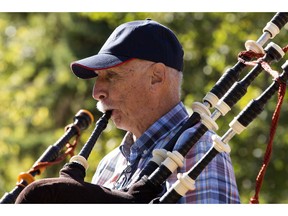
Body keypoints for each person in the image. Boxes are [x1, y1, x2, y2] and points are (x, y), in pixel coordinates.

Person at [16, 18, 240, 204]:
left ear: (156, 76)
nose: (97, 92)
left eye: (111, 76)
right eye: (98, 78)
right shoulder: (109, 164)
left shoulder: (200, 152)